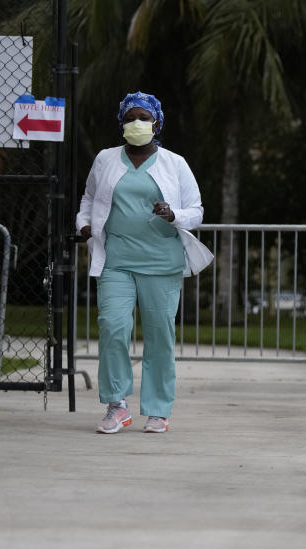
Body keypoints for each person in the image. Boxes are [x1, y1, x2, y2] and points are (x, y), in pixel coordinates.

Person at [76, 91, 212, 434]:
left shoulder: (175, 163)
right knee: (113, 327)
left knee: (159, 336)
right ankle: (117, 406)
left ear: (157, 123)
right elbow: (89, 197)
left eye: (144, 118)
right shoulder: (106, 159)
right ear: (121, 124)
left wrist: (173, 213)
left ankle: (158, 410)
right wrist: (84, 224)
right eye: (130, 118)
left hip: (161, 263)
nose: (137, 124)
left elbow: (196, 211)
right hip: (116, 261)